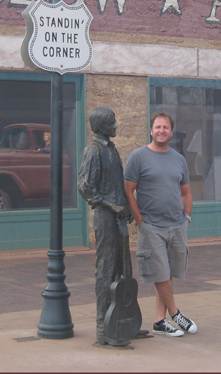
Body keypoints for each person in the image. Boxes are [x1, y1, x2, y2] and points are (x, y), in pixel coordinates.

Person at [124, 112, 197, 337]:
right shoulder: (138, 157)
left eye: (165, 127)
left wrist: (186, 216)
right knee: (160, 272)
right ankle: (176, 314)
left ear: (171, 132)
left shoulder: (179, 159)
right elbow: (128, 190)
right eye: (157, 127)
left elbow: (185, 191)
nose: (161, 131)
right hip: (151, 225)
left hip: (176, 224)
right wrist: (140, 220)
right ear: (151, 130)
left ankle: (159, 321)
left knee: (167, 273)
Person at [77, 107, 144, 346]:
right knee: (105, 269)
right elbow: (85, 187)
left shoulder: (112, 149)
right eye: (112, 123)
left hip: (118, 216)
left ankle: (124, 319)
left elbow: (117, 183)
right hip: (106, 218)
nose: (116, 127)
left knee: (123, 267)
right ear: (102, 126)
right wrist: (111, 206)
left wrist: (124, 206)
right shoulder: (94, 151)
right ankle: (103, 328)